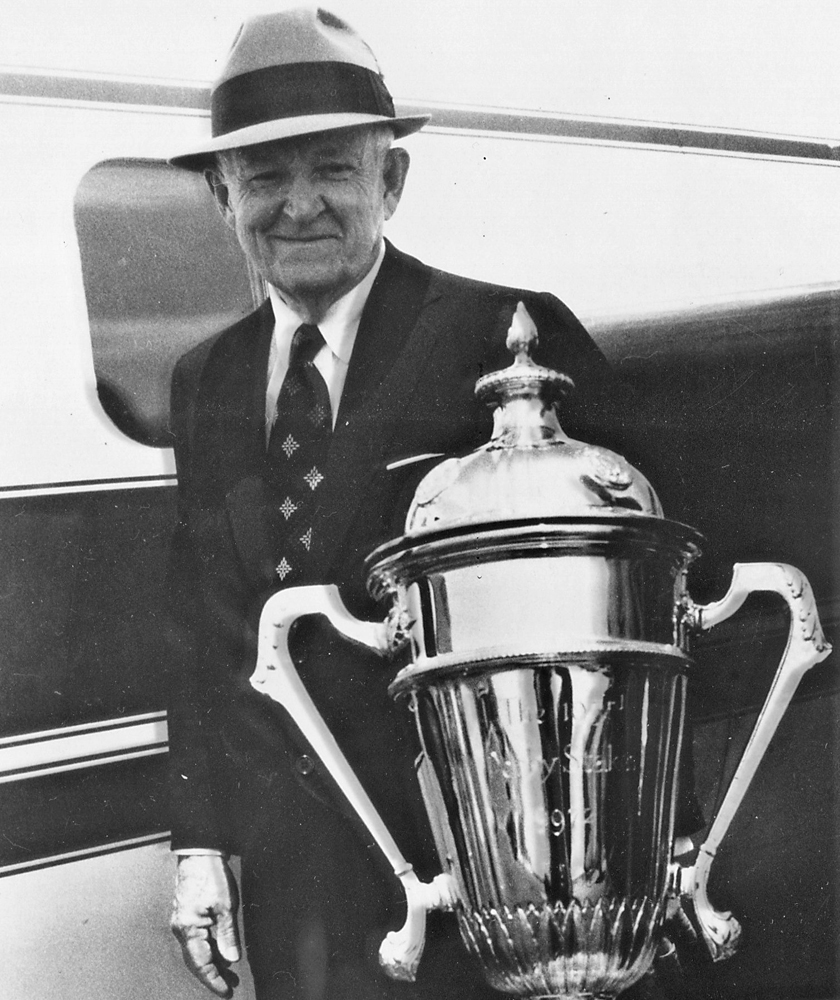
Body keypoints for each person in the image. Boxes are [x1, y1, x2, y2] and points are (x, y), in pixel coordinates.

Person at [164, 8, 701, 1000]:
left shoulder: (508, 335)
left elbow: (647, 613)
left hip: (500, 878)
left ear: (391, 181)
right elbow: (204, 629)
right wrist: (199, 845)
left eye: (331, 167)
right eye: (264, 177)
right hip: (297, 887)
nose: (299, 206)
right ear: (219, 196)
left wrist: (659, 853)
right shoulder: (203, 380)